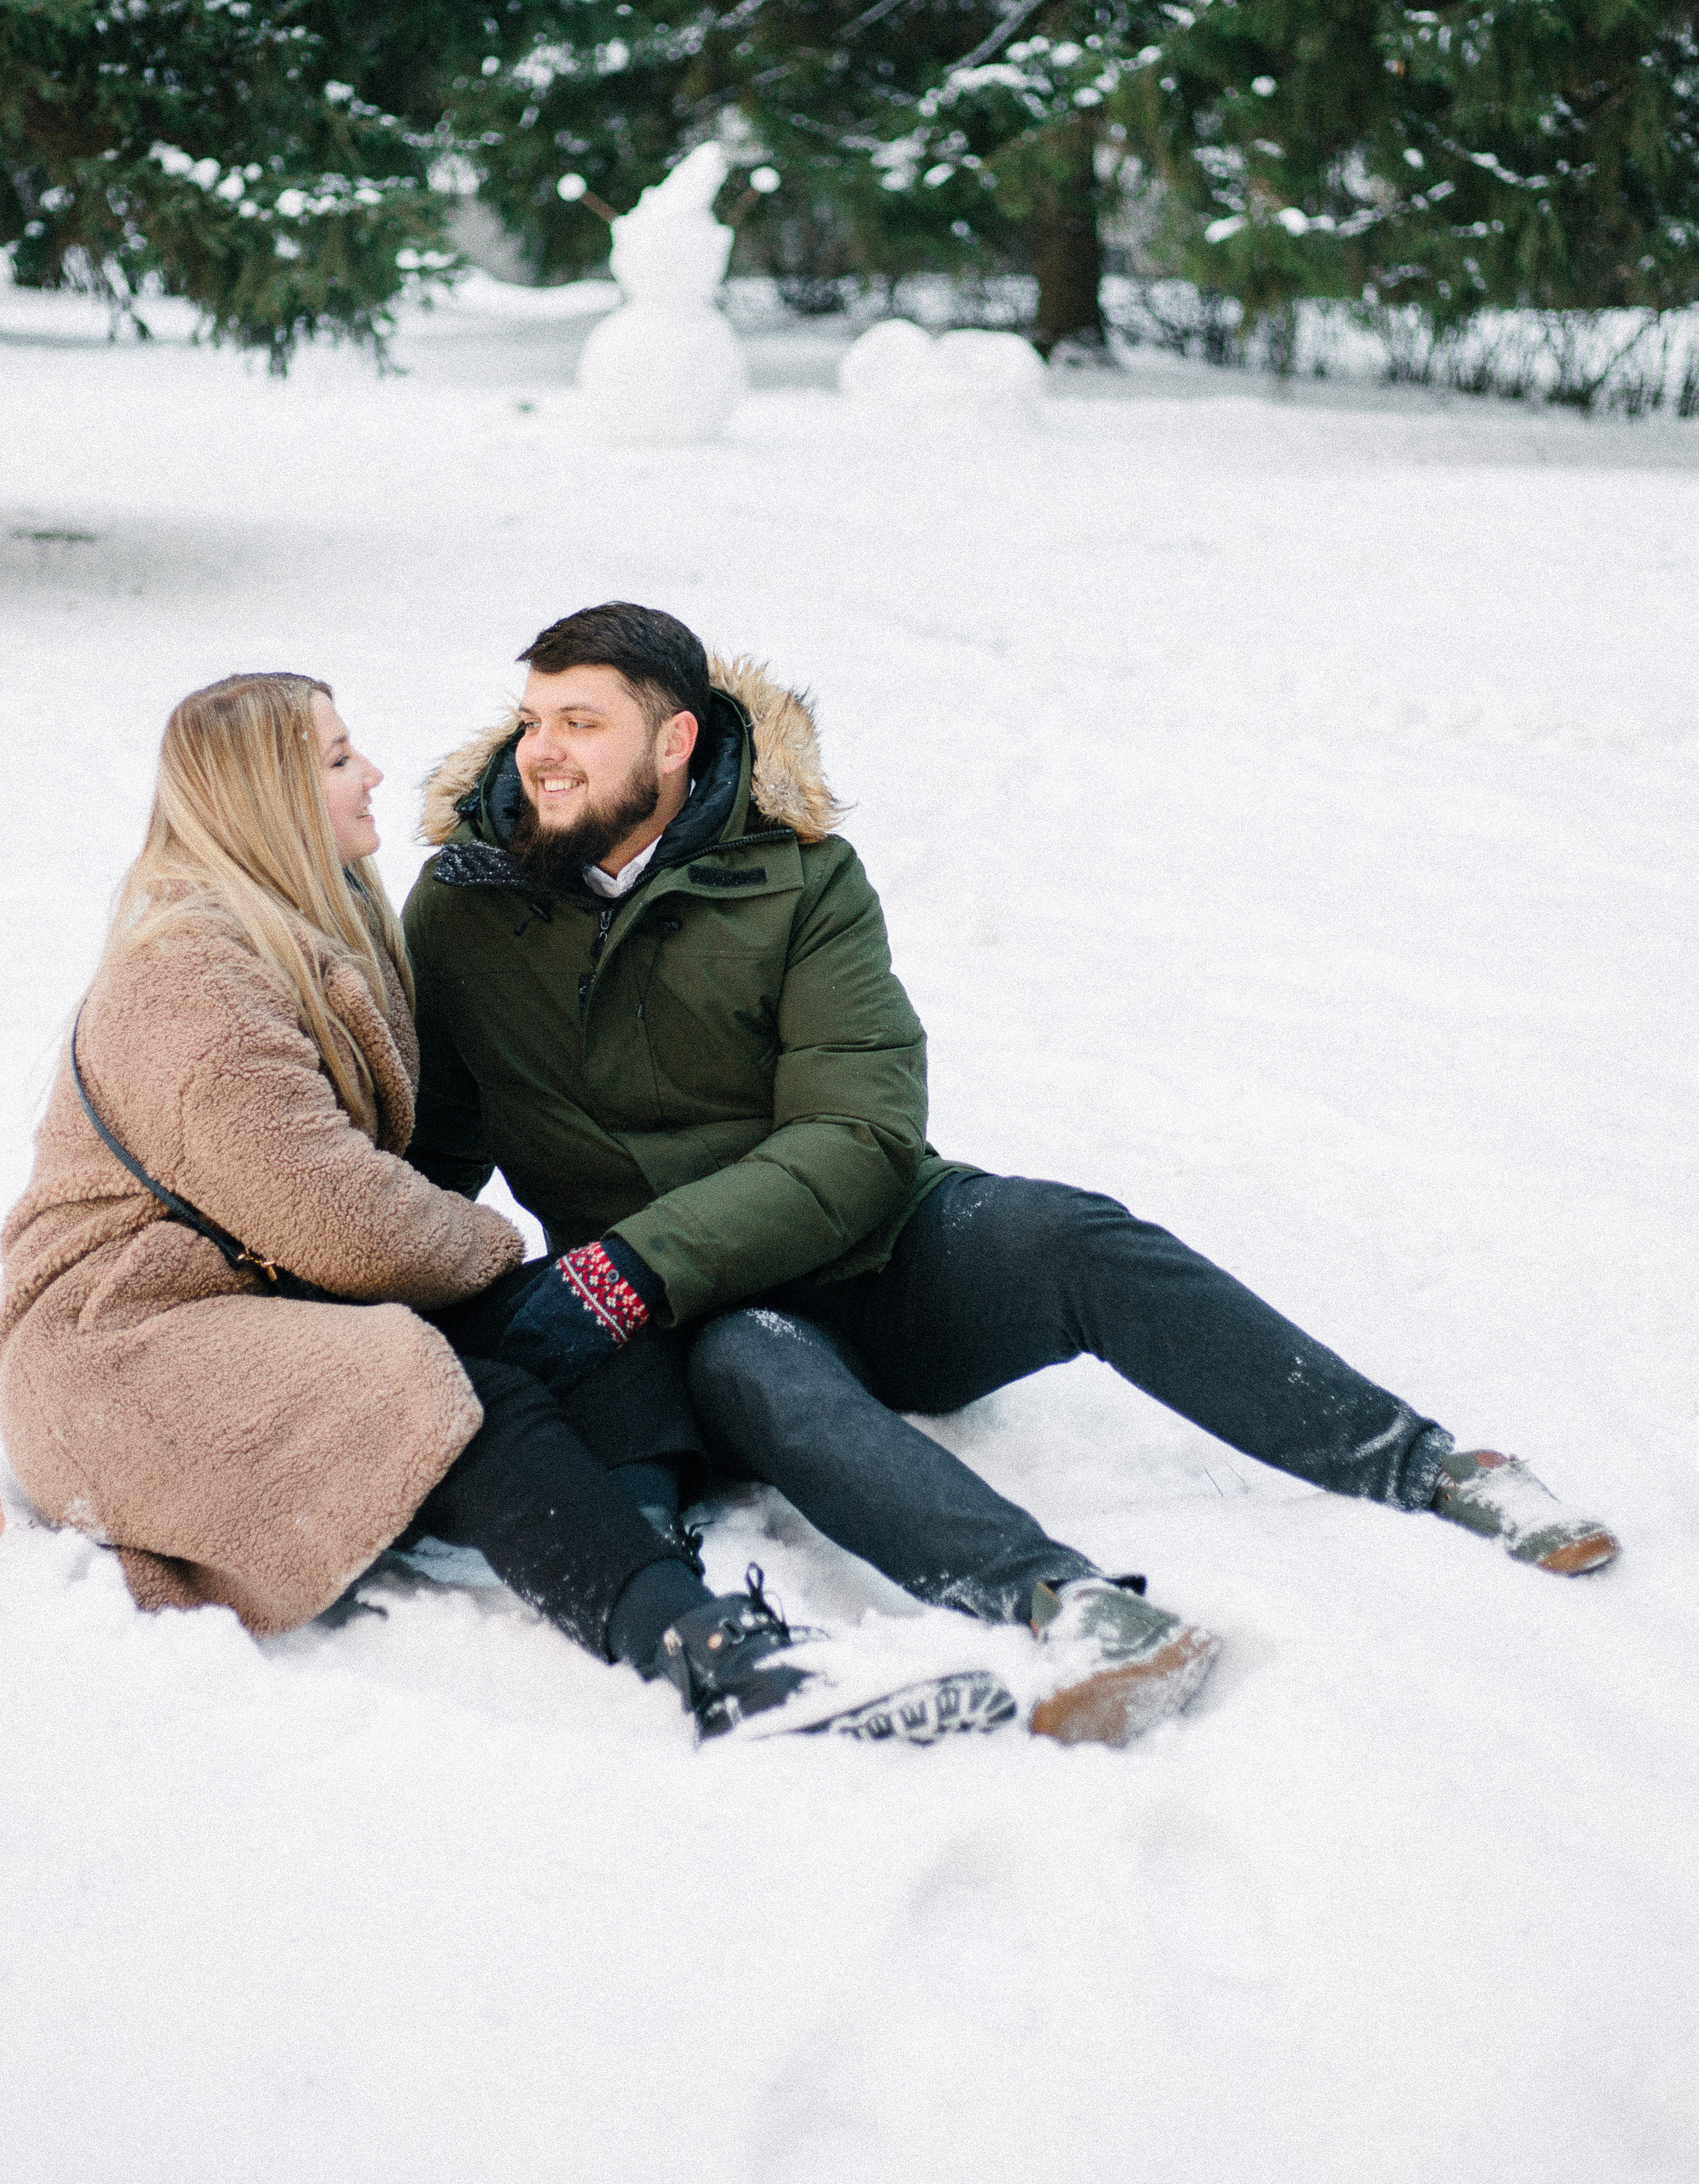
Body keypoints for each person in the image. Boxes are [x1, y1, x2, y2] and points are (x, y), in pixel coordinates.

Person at [404, 605, 1621, 1749]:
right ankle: (1069, 1605)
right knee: (762, 1370)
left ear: (673, 741)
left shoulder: (799, 879)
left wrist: (637, 1261)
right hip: (707, 1315)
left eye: (580, 722)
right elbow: (443, 1142)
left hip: (872, 1248)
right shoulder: (464, 910)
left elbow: (860, 1138)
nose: (541, 752)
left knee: (1062, 1232)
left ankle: (1424, 1462)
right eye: (530, 719)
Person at [0, 672, 1015, 1746]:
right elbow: (334, 1214)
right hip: (121, 1341)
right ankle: (704, 1656)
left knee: (595, 1307)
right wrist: (489, 1248)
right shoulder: (189, 979)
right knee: (434, 1386)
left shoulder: (305, 927)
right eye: (339, 758)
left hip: (255, 1303)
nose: (373, 772)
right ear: (269, 798)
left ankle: (642, 1550)